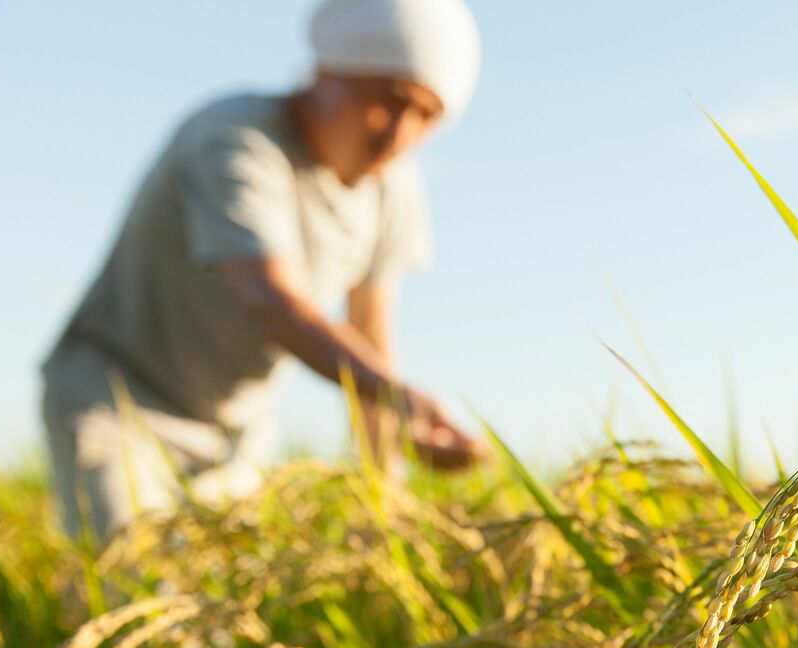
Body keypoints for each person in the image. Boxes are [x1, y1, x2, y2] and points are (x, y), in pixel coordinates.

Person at [41, 0, 487, 543]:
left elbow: (372, 338)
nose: (401, 133)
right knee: (128, 589)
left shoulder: (393, 188)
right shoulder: (236, 139)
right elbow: (271, 301)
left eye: (427, 116)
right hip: (120, 401)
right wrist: (405, 397)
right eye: (389, 100)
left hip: (236, 430)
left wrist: (383, 501)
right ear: (330, 70)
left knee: (230, 611)